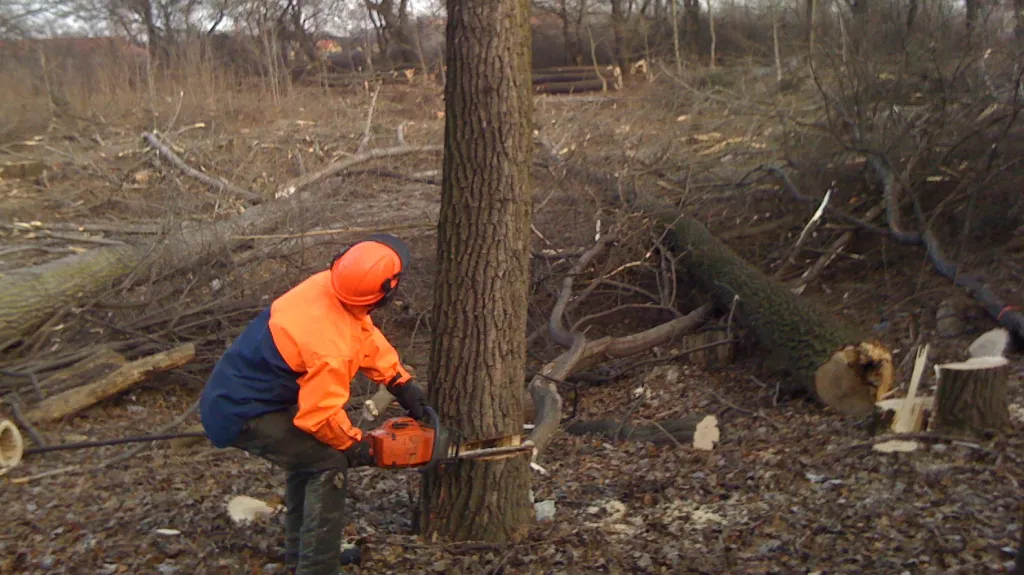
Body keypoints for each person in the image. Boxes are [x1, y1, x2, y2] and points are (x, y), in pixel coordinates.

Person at [199, 233, 428, 575]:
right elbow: (319, 417)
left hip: (251, 395)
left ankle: (302, 554)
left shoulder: (332, 288)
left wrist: (399, 381)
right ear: (385, 291)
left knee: (309, 461)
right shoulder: (330, 349)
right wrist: (359, 445)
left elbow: (360, 332)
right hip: (242, 411)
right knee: (327, 461)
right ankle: (317, 566)